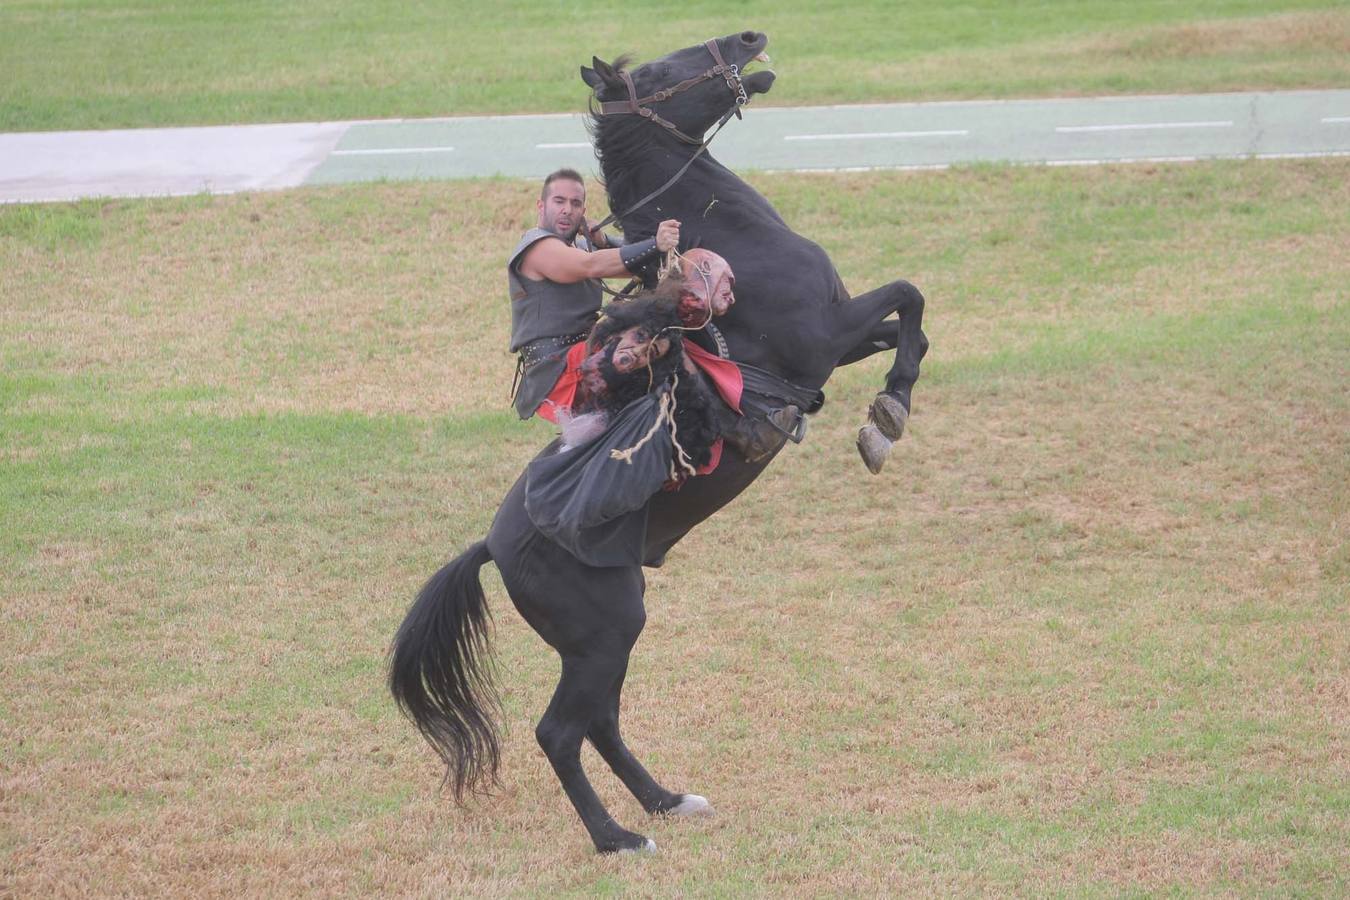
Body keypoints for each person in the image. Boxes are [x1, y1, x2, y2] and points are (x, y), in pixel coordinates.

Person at [508, 167, 679, 420]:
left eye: (575, 203)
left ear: (583, 213)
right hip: (559, 369)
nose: (568, 209)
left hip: (584, 352)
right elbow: (591, 265)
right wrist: (655, 243)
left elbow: (633, 266)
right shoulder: (538, 247)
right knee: (644, 347)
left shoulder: (579, 247)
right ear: (541, 205)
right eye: (559, 201)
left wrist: (602, 239)